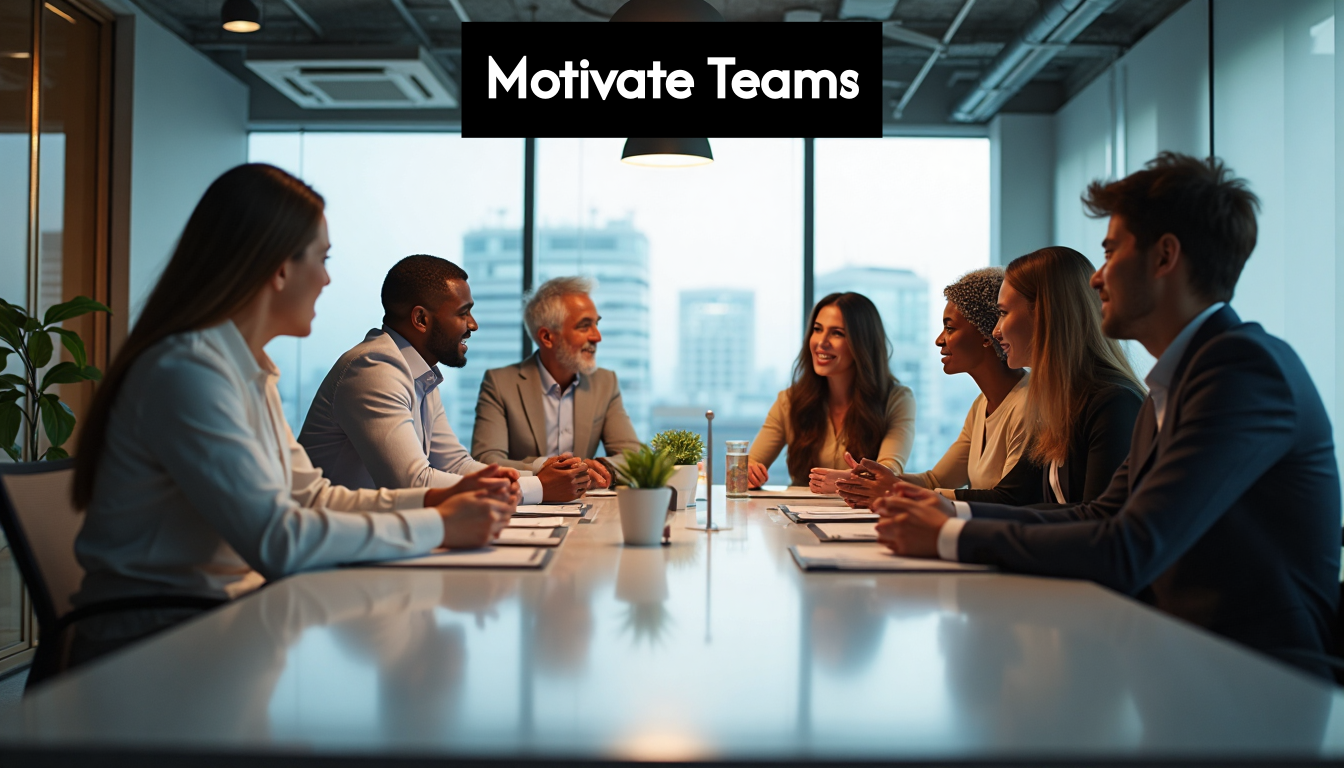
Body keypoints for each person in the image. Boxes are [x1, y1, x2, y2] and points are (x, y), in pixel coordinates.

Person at [874, 152, 1341, 677]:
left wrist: (948, 535)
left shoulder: (1242, 371)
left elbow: (1130, 545)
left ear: (1165, 257)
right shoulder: (1176, 380)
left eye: (1111, 251)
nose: (1096, 279)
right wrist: (952, 516)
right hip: (1181, 660)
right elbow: (1100, 513)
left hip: (1256, 679)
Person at [68, 164, 515, 665]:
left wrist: (439, 501)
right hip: (152, 651)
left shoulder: (246, 368)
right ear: (279, 268)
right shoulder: (188, 371)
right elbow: (278, 539)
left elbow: (311, 496)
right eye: (321, 260)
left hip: (221, 626)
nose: (327, 278)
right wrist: (439, 523)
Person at [842, 250, 1145, 507]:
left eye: (1003, 313)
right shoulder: (1058, 402)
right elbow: (1019, 496)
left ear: (1045, 315)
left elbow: (1095, 520)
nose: (996, 330)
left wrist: (912, 499)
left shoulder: (1112, 403)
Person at [298, 255, 546, 504]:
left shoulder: (420, 372)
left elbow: (455, 465)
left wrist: (538, 475)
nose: (473, 324)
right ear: (421, 319)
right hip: (333, 536)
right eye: (463, 313)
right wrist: (536, 487)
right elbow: (412, 483)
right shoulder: (373, 368)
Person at [832, 269, 1027, 504]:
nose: (939, 340)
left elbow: (1010, 500)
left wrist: (895, 488)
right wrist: (880, 480)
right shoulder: (981, 405)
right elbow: (935, 481)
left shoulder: (1026, 405)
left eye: (950, 328)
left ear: (987, 334)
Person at [472, 276, 640, 499]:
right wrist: (544, 467)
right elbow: (486, 459)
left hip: (583, 509)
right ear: (547, 337)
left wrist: (604, 467)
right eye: (584, 326)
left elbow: (633, 454)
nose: (597, 337)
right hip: (523, 508)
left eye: (596, 324)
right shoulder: (500, 382)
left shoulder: (605, 383)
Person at [748, 292, 915, 489]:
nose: (821, 342)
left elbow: (888, 473)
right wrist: (747, 473)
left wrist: (843, 483)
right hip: (796, 517)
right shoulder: (789, 400)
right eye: (817, 329)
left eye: (837, 333)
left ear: (862, 343)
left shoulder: (897, 399)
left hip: (863, 517)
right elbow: (746, 467)